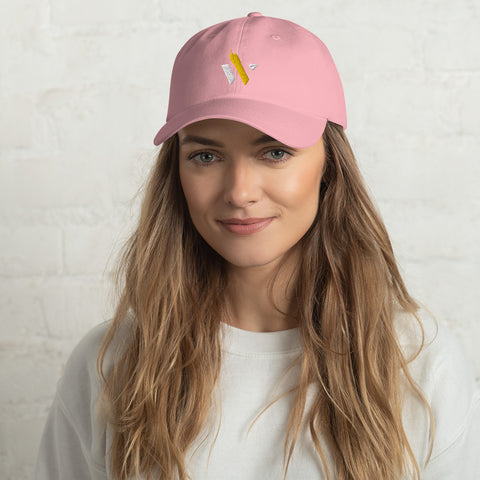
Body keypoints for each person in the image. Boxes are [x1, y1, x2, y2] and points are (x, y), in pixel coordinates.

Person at [35, 12, 480, 480]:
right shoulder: (110, 366)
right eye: (206, 155)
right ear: (176, 173)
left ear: (330, 165)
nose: (240, 191)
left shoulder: (419, 364)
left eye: (275, 152)